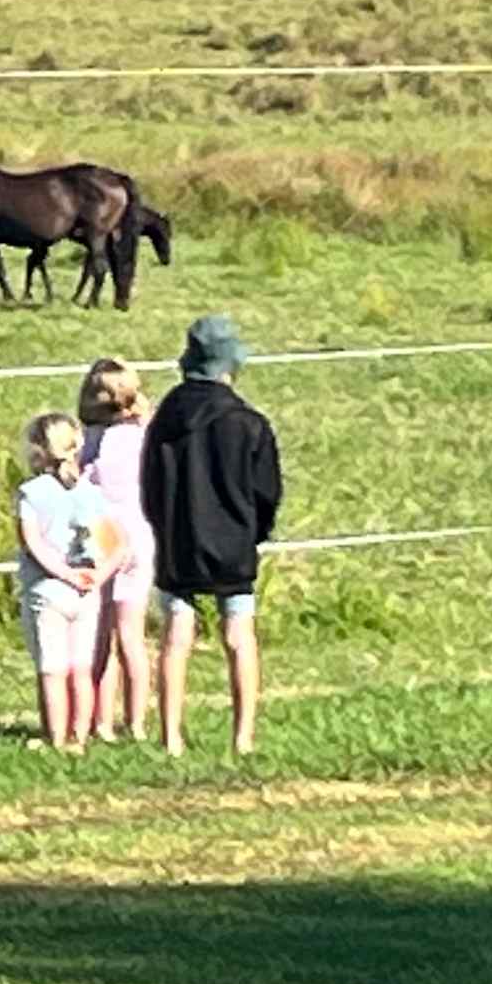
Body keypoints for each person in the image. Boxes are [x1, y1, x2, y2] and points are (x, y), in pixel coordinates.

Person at [140, 313, 283, 757]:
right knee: (239, 635)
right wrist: (255, 532)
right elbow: (267, 490)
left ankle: (171, 737)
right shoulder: (248, 423)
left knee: (176, 635)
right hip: (233, 543)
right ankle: (243, 738)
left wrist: (162, 526)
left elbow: (149, 483)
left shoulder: (164, 420)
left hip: (178, 540)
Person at [12, 410, 111, 755]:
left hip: (47, 589)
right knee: (81, 668)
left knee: (52, 669)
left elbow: (32, 542)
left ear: (38, 452)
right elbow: (110, 543)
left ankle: (55, 737)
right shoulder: (91, 493)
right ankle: (79, 738)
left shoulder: (30, 493)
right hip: (86, 590)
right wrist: (96, 574)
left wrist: (61, 572)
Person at [76, 358, 154, 743]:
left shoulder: (91, 441)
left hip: (104, 537)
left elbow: (86, 482)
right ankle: (136, 722)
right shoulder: (144, 435)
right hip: (141, 535)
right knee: (132, 636)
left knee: (101, 634)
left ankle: (101, 721)